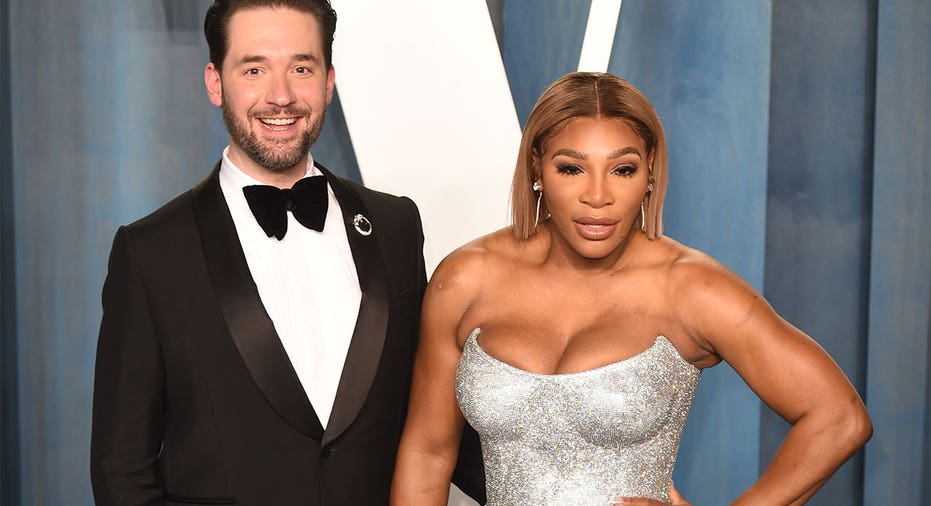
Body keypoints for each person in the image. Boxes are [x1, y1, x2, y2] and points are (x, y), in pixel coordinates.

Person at [391, 72, 872, 505]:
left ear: (649, 174)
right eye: (571, 168)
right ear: (537, 169)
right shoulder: (465, 279)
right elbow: (428, 453)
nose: (597, 196)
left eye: (622, 169)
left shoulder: (690, 288)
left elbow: (838, 417)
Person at [89, 1, 484, 504]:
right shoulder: (151, 253)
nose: (281, 96)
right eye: (254, 69)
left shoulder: (395, 226)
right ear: (215, 83)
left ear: (328, 81)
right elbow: (122, 468)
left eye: (301, 68)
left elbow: (436, 417)